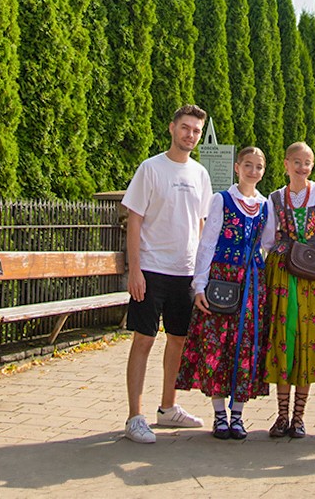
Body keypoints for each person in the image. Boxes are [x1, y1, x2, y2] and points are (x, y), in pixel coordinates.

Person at [122, 104, 214, 444]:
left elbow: (203, 225)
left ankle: (168, 407)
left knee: (178, 340)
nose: (190, 135)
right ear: (172, 128)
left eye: (196, 131)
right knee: (143, 340)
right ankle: (135, 416)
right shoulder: (151, 168)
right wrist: (135, 270)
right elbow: (135, 219)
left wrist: (201, 275)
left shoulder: (200, 174)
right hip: (151, 269)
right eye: (185, 128)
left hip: (185, 272)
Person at [174, 147, 275, 440]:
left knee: (245, 344)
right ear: (237, 167)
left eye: (258, 167)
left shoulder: (265, 205)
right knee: (217, 343)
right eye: (248, 165)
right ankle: (219, 414)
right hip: (222, 278)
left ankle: (239, 415)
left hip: (252, 283)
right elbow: (207, 243)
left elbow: (267, 243)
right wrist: (199, 285)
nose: (253, 171)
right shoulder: (222, 200)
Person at [261, 141, 315, 438]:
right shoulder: (276, 197)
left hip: (313, 275)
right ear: (286, 164)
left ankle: (299, 416)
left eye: (307, 162)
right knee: (284, 338)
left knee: (307, 339)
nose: (302, 168)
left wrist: (307, 248)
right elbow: (269, 238)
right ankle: (281, 415)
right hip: (282, 273)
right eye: (296, 162)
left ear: (312, 165)